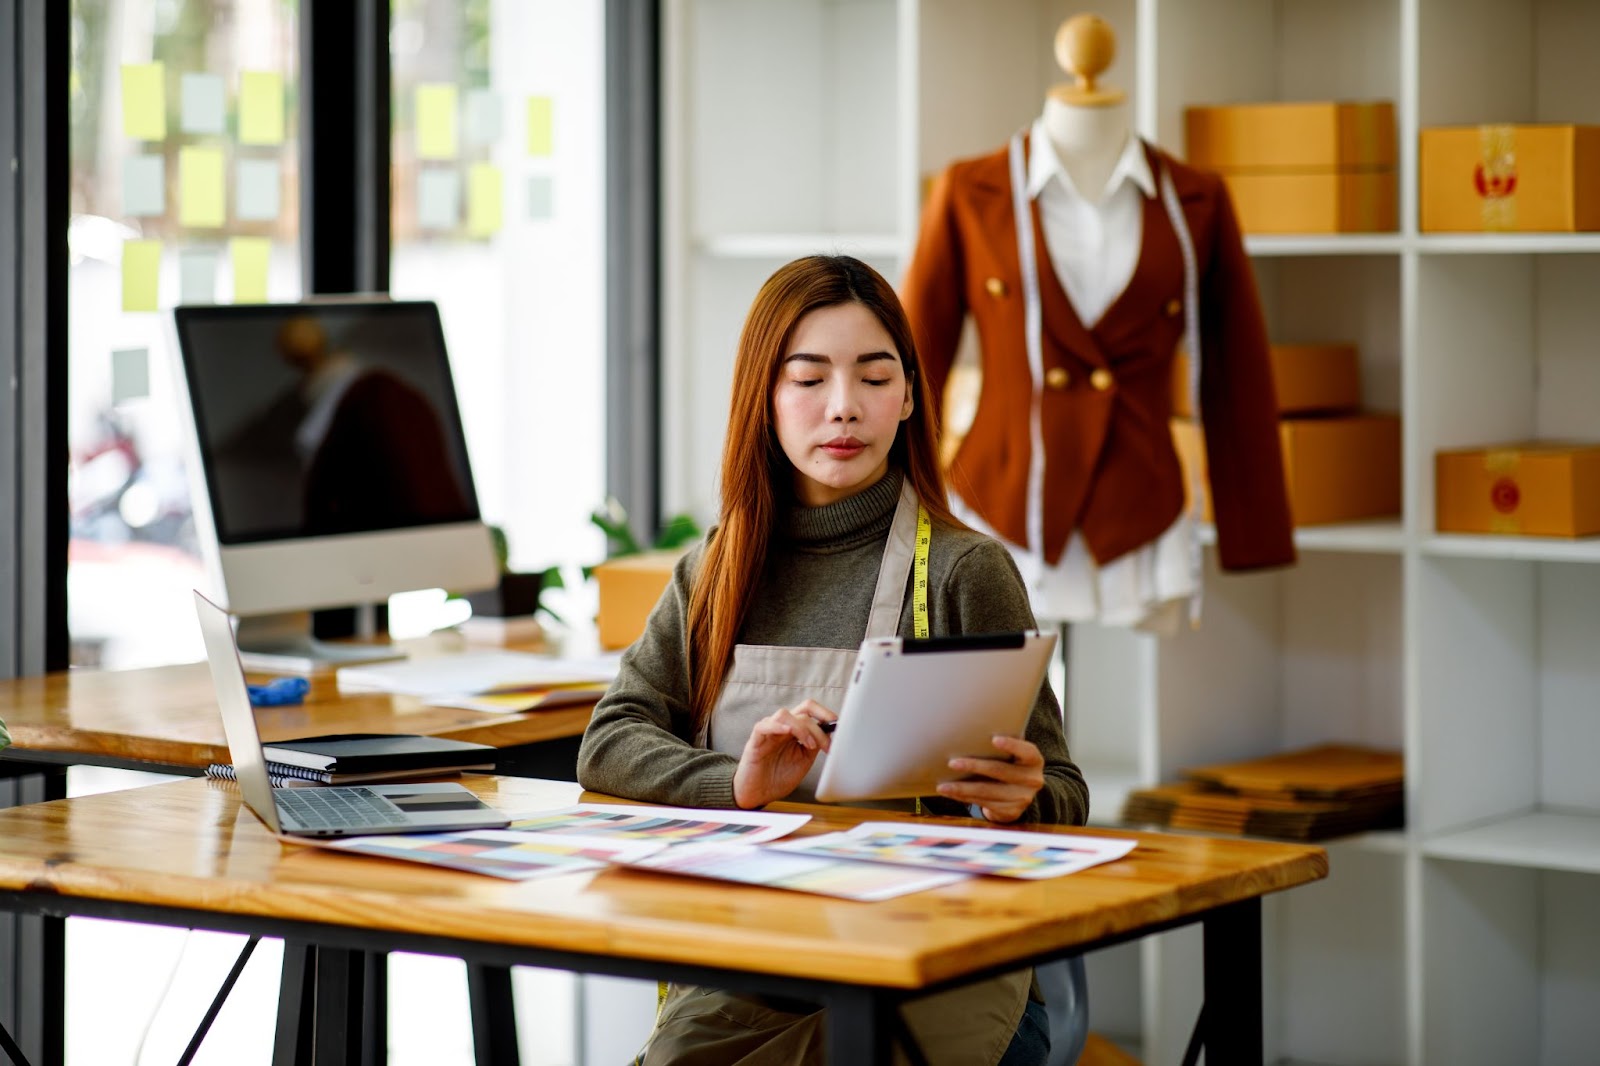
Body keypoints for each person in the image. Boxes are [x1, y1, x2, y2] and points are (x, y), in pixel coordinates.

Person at [577, 255, 1089, 1066]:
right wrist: (735, 786)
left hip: (932, 968)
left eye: (874, 378)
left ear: (911, 397)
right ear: (765, 400)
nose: (843, 408)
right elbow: (609, 741)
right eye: (808, 380)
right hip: (754, 964)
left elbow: (1064, 792)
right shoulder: (717, 572)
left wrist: (1021, 800)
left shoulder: (962, 572)